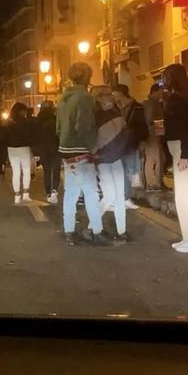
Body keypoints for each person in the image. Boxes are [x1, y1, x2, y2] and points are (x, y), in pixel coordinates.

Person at [57, 62, 106, 246]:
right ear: (86, 77)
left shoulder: (63, 99)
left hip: (67, 151)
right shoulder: (85, 98)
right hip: (82, 152)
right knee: (91, 193)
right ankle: (97, 231)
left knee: (71, 194)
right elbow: (83, 126)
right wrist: (92, 147)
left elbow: (58, 128)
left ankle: (69, 231)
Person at [161, 64, 188, 253]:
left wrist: (185, 153)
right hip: (181, 147)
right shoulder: (182, 99)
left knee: (186, 194)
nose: (164, 81)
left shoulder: (179, 100)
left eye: (166, 77)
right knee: (183, 193)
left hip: (184, 148)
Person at [93, 88, 130, 242]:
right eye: (106, 96)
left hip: (112, 158)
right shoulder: (101, 115)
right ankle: (92, 226)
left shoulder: (115, 113)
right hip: (105, 158)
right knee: (111, 196)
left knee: (117, 196)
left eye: (110, 96)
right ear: (100, 99)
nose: (109, 99)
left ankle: (122, 231)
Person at [112, 85, 146, 209]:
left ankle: (126, 197)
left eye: (114, 93)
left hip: (131, 143)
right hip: (119, 144)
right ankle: (123, 197)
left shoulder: (136, 107)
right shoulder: (116, 108)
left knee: (129, 171)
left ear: (121, 93)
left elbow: (142, 126)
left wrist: (142, 140)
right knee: (121, 171)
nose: (112, 96)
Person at [2, 102, 35, 204]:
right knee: (26, 170)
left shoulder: (8, 122)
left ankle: (17, 196)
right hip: (24, 147)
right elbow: (29, 135)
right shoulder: (25, 121)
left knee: (16, 172)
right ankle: (26, 194)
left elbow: (3, 136)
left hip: (11, 148)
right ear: (22, 111)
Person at [142, 83, 166, 194]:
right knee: (154, 159)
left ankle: (156, 182)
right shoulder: (151, 104)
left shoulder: (149, 103)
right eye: (161, 91)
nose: (162, 94)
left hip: (151, 134)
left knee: (156, 158)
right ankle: (153, 184)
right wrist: (160, 133)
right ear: (155, 91)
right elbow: (152, 120)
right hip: (153, 134)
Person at [34, 101, 60, 202]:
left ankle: (48, 194)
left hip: (43, 148)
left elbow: (35, 137)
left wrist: (36, 152)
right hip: (55, 147)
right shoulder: (56, 119)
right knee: (56, 170)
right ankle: (54, 190)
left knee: (47, 171)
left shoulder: (37, 120)